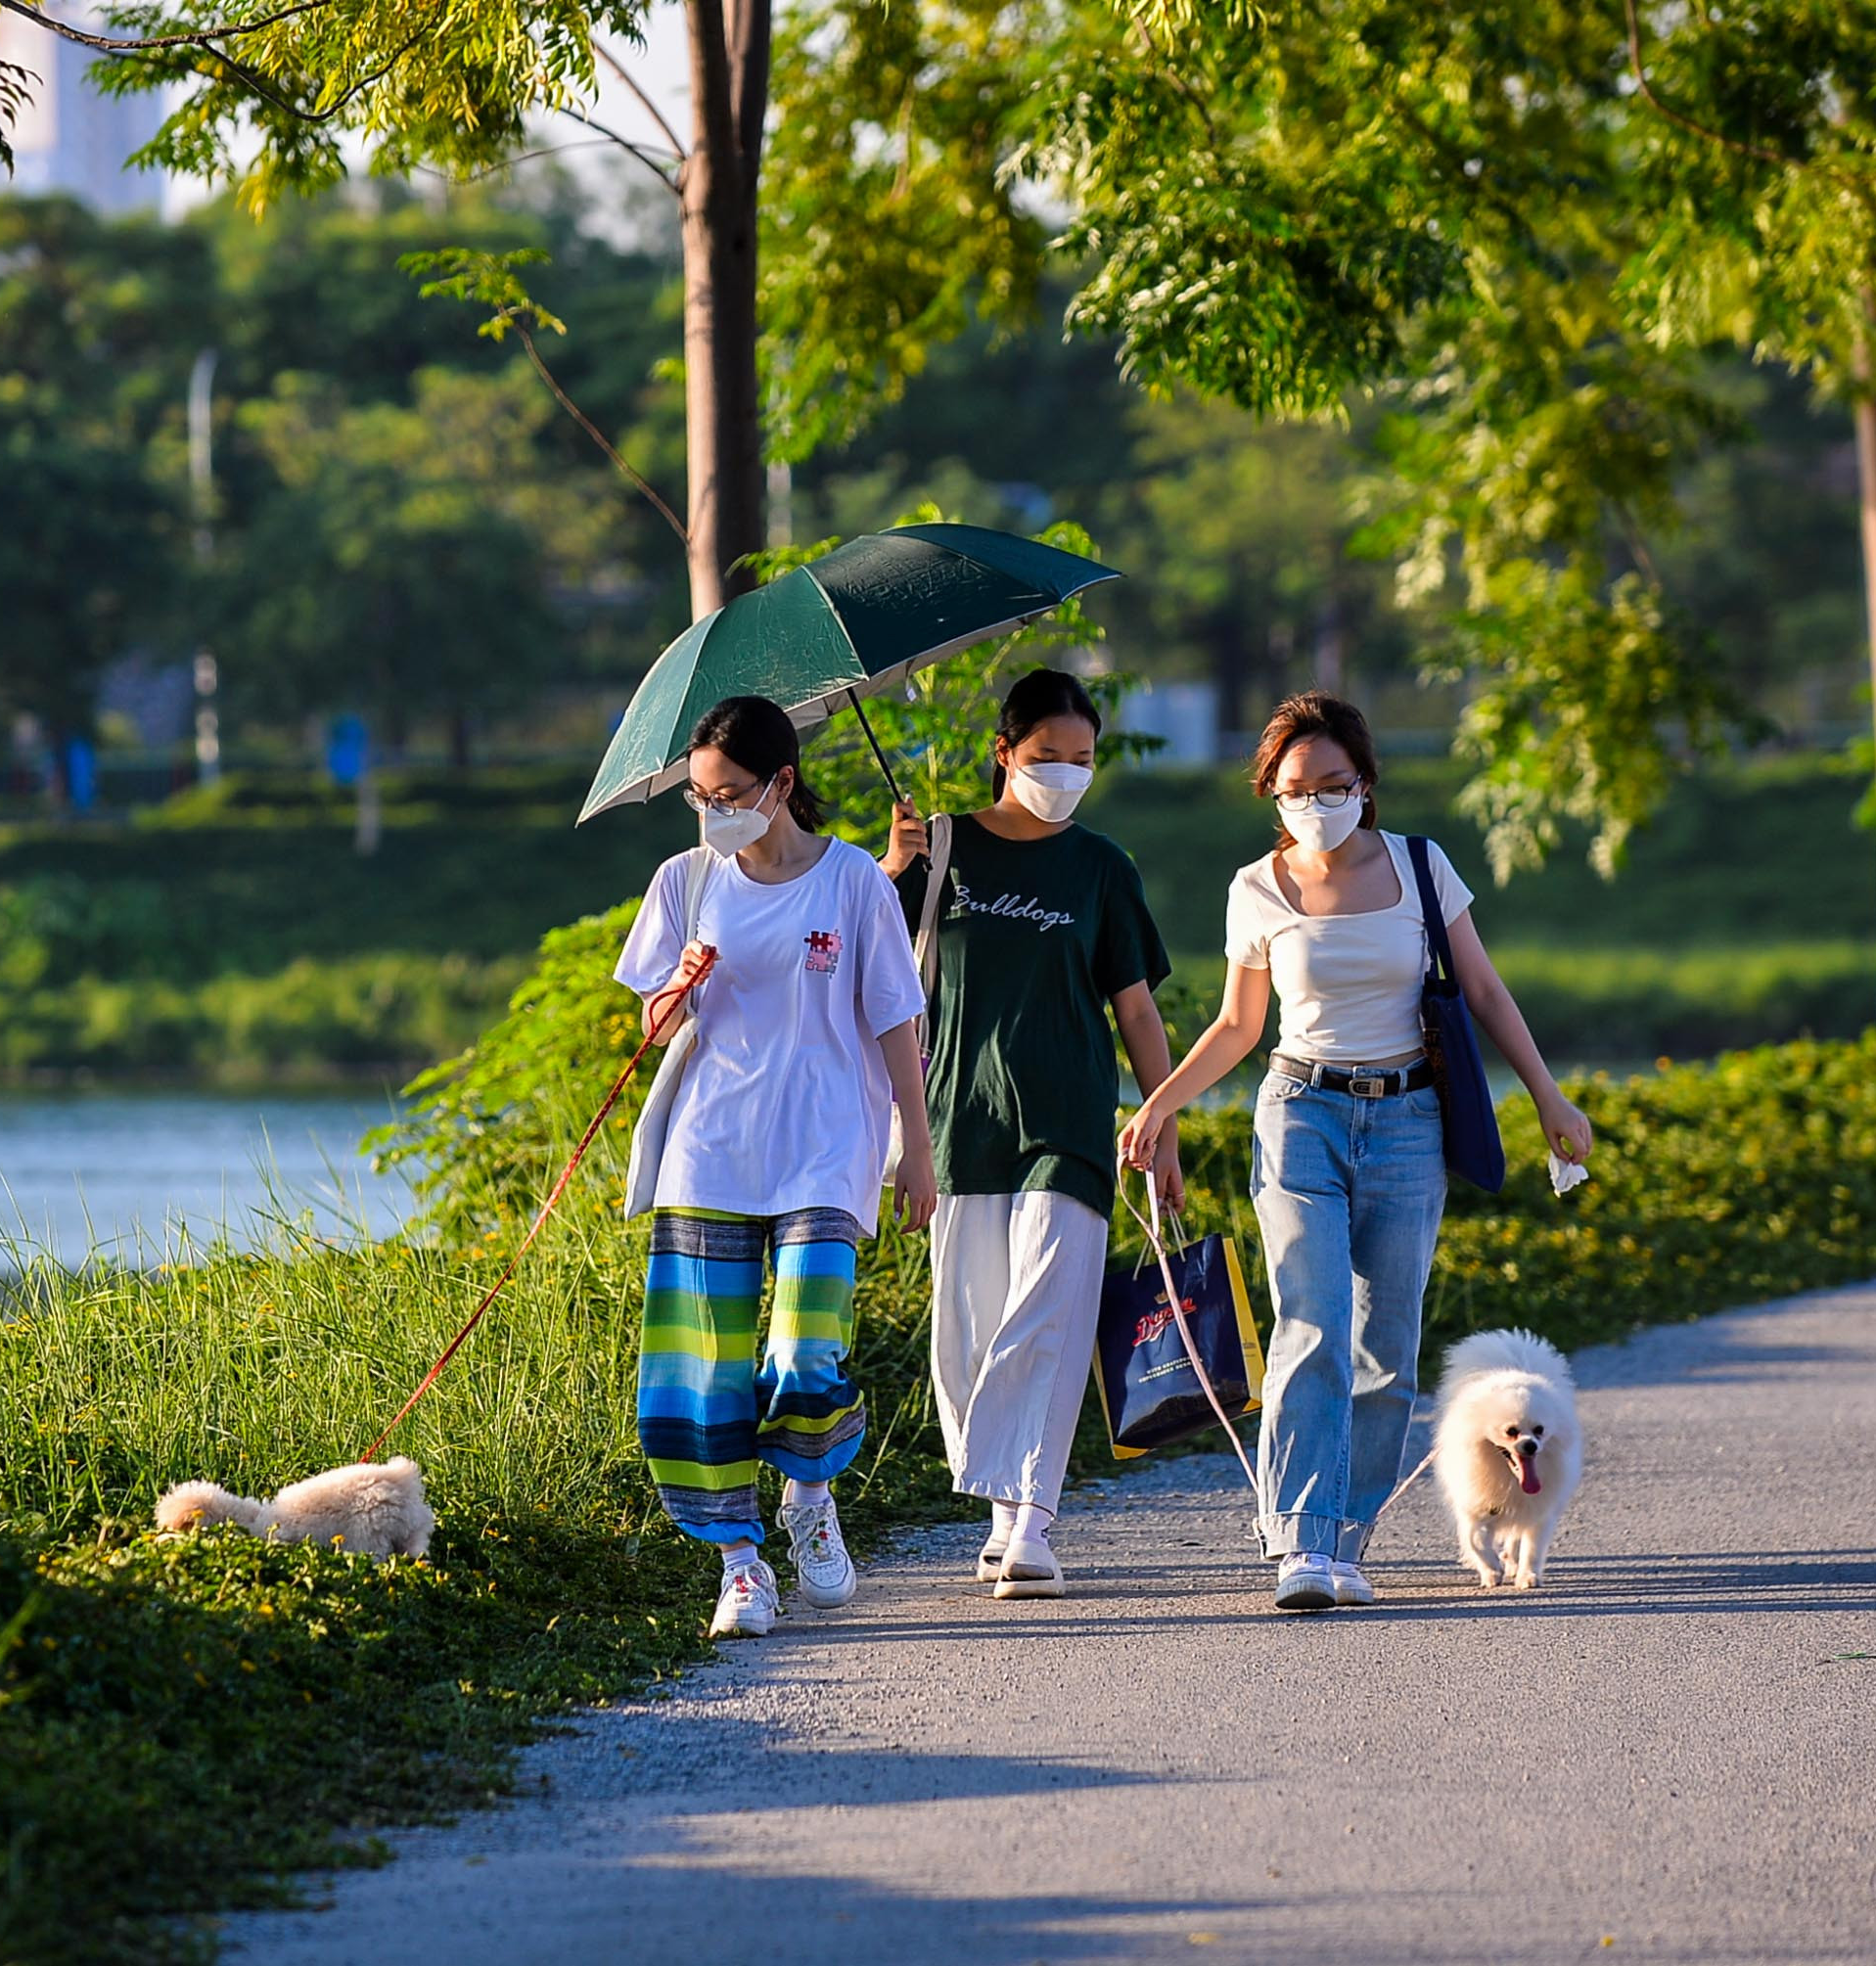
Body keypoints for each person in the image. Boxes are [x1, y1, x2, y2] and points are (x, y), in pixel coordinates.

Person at [1118, 692, 1592, 1613]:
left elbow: (1486, 991)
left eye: (1334, 783)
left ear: (1365, 785)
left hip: (1410, 1117)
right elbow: (1235, 1025)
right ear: (1272, 792)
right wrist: (1159, 1106)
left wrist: (1548, 1095)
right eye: (1296, 787)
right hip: (1300, 1111)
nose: (1316, 800)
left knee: (1388, 1345)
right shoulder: (1255, 886)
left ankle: (1346, 1535)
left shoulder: (1421, 867)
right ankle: (1300, 1539)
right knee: (1311, 1322)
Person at [616, 696, 935, 1639]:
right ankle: (741, 1563)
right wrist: (678, 990)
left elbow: (894, 1019)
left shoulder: (853, 884)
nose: (713, 814)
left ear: (783, 784)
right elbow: (655, 1025)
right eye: (699, 798)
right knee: (700, 1367)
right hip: (711, 1149)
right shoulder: (684, 882)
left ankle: (809, 1498)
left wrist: (912, 1146)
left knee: (805, 1347)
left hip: (826, 1149)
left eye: (729, 794)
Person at [880, 667, 1178, 1598]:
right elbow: (865, 963)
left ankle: (1034, 1518)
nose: (1067, 773)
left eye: (1083, 759)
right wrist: (891, 871)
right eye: (1048, 757)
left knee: (1047, 1308)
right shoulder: (940, 847)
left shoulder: (1102, 868)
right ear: (1004, 752)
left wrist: (1162, 1120)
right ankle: (999, 1502)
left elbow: (1135, 1009)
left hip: (1070, 1118)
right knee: (968, 1325)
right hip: (957, 1119)